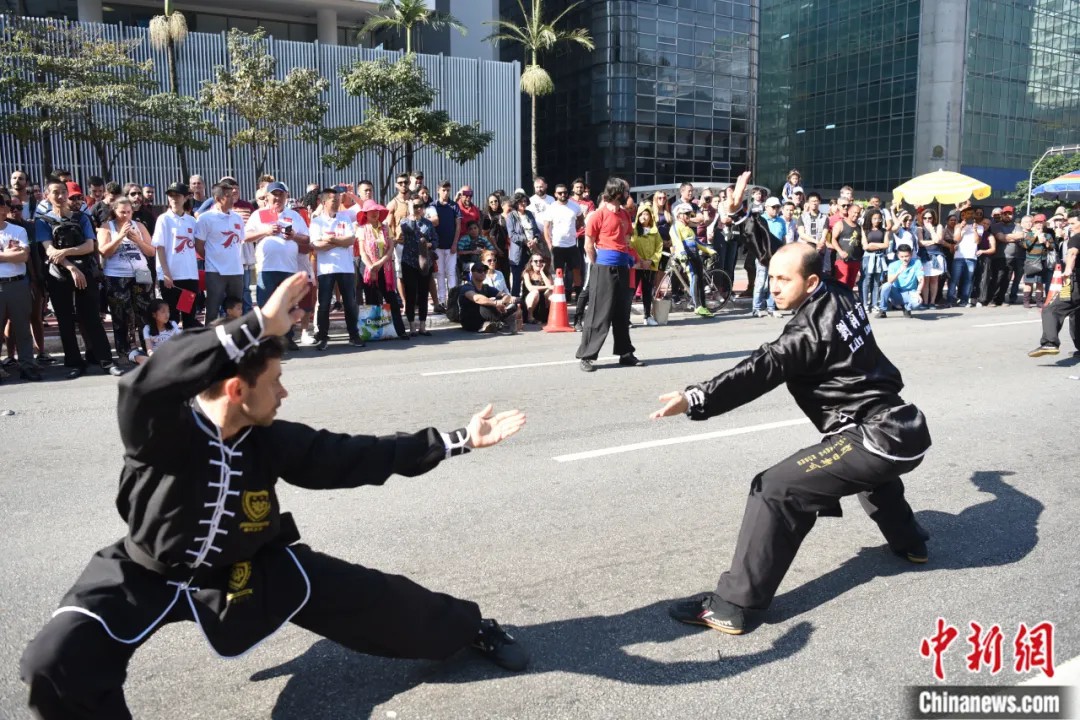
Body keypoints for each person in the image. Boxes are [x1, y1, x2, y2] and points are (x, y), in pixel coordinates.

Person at [19, 273, 529, 719]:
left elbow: (358, 455)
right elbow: (145, 385)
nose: (284, 393)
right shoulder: (161, 432)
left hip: (247, 568)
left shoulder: (270, 441)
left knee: (373, 598)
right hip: (143, 572)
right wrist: (258, 323)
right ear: (237, 390)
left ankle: (469, 627)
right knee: (53, 662)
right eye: (276, 381)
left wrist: (459, 440)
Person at [651, 242, 932, 635]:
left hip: (874, 436)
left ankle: (732, 605)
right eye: (772, 277)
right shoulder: (841, 292)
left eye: (784, 279)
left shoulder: (807, 331)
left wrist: (696, 397)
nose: (774, 287)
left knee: (775, 488)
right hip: (904, 429)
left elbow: (761, 368)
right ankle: (910, 542)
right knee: (865, 472)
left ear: (812, 282)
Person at [36, 180, 122, 379]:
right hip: (59, 276)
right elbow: (49, 251)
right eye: (55, 192)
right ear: (47, 196)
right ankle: (74, 363)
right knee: (65, 320)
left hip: (86, 272)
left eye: (63, 192)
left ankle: (106, 361)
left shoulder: (82, 217)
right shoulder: (43, 221)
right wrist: (72, 268)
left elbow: (89, 246)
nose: (60, 196)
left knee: (92, 318)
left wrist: (65, 252)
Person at [576, 177, 641, 372]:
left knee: (622, 313)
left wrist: (629, 256)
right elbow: (588, 245)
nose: (629, 195)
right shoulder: (598, 215)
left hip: (622, 267)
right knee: (599, 313)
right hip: (603, 268)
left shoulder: (625, 214)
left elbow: (627, 239)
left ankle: (625, 353)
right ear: (617, 193)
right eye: (626, 191)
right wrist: (599, 264)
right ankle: (587, 356)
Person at [98, 197, 155, 361]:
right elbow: (104, 252)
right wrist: (120, 236)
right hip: (117, 274)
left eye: (129, 212)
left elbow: (151, 251)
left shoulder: (139, 226)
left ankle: (148, 347)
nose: (126, 215)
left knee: (145, 312)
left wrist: (137, 240)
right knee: (121, 314)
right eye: (122, 212)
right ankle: (125, 350)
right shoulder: (107, 227)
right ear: (114, 211)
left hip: (141, 272)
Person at [1029, 210, 1080, 357]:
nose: (1069, 226)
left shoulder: (1077, 237)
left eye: (1073, 223)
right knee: (1076, 314)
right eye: (1068, 223)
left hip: (1074, 281)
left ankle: (1049, 343)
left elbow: (1072, 254)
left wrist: (1068, 270)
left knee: (1051, 309)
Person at [459, 262, 520, 334]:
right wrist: (495, 303)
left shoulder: (486, 287)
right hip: (470, 320)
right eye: (479, 270)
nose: (483, 273)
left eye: (485, 271)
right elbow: (477, 298)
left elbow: (505, 295)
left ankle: (497, 324)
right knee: (485, 304)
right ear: (472, 273)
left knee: (515, 303)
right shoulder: (466, 287)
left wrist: (502, 302)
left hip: (484, 317)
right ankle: (503, 323)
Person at [630, 204, 663, 326]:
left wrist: (651, 260)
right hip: (636, 265)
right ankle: (625, 317)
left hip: (650, 266)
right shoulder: (633, 230)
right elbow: (631, 246)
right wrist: (639, 260)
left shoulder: (655, 231)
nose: (644, 217)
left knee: (647, 291)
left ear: (651, 216)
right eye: (641, 214)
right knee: (631, 291)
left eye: (646, 214)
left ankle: (647, 316)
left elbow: (659, 247)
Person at [875, 244, 924, 318]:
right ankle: (882, 310)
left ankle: (907, 308)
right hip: (897, 293)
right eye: (902, 256)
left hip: (910, 292)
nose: (904, 259)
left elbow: (921, 279)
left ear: (911, 255)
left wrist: (918, 292)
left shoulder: (917, 263)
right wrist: (898, 272)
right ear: (898, 256)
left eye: (906, 256)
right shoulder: (893, 265)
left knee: (918, 302)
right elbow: (889, 281)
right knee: (885, 286)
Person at [128, 299, 182, 366]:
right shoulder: (147, 329)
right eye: (163, 312)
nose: (167, 314)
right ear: (154, 315)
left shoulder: (173, 324)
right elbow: (149, 350)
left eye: (168, 311)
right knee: (133, 354)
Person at [521, 253, 553, 325]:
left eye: (541, 261)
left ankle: (552, 315)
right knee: (535, 292)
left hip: (543, 303)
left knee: (550, 293)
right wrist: (547, 287)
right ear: (531, 263)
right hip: (530, 301)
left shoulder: (547, 273)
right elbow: (530, 288)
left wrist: (542, 272)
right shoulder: (527, 273)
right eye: (536, 261)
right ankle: (530, 317)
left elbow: (551, 286)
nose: (538, 263)